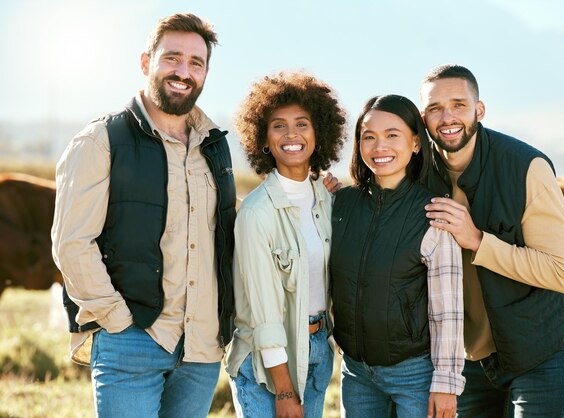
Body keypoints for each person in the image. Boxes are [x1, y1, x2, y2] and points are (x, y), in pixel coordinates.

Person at [51, 13, 237, 417]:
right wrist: (119, 323)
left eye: (196, 63)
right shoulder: (101, 141)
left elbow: (224, 236)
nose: (183, 71)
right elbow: (71, 244)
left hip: (202, 350)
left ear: (205, 72)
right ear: (145, 62)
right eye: (172, 57)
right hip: (132, 340)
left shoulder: (215, 147)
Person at [420, 64, 564, 417]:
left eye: (459, 105)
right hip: (468, 360)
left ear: (480, 110)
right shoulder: (417, 172)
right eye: (435, 108)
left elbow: (563, 272)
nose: (447, 117)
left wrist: (478, 240)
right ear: (424, 117)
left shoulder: (527, 167)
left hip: (538, 349)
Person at [330, 94, 465, 418]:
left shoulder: (434, 213)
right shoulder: (340, 205)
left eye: (393, 135)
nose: (380, 147)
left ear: (416, 144)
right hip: (356, 373)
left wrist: (446, 383)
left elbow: (448, 311)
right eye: (369, 137)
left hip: (414, 375)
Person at [224, 71, 347, 418]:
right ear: (263, 138)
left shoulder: (326, 199)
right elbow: (264, 313)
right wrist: (284, 389)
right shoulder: (256, 213)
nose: (291, 134)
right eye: (278, 125)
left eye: (302, 124)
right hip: (268, 365)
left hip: (318, 349)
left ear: (318, 133)